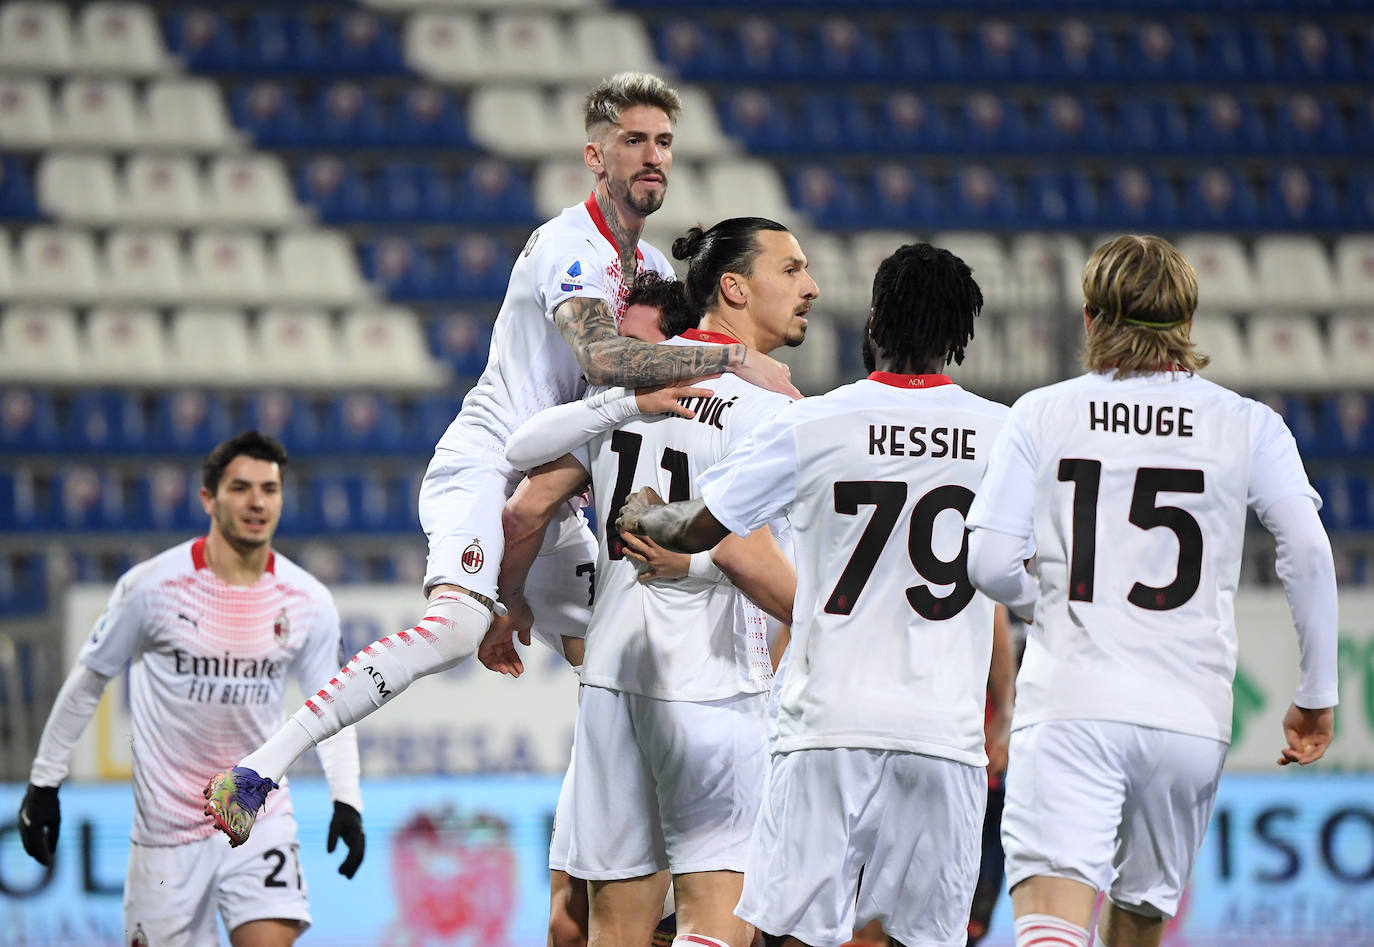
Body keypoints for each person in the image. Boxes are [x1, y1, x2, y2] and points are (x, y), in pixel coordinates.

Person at [203, 71, 799, 843]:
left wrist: (515, 584)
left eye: (663, 143)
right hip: (488, 464)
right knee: (455, 629)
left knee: (622, 645)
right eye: (633, 141)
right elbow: (606, 356)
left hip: (557, 489)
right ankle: (255, 769)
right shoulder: (568, 246)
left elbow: (645, 376)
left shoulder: (648, 268)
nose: (652, 157)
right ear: (595, 153)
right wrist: (726, 362)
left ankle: (627, 864)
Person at [619, 242, 1003, 947]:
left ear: (876, 320)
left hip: (828, 726)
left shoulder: (816, 420)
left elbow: (706, 523)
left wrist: (648, 515)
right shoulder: (1006, 436)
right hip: (944, 738)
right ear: (961, 335)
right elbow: (1013, 581)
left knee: (794, 935)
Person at [963, 234, 1339, 947]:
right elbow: (1310, 553)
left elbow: (986, 561)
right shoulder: (1249, 423)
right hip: (1188, 715)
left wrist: (1054, 600)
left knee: (1051, 924)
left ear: (1088, 318)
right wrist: (1316, 694)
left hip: (1072, 702)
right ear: (1189, 323)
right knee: (1137, 921)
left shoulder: (1043, 411)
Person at [491, 217, 817, 947]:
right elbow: (744, 555)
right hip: (715, 687)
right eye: (792, 270)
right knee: (717, 922)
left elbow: (525, 508)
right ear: (734, 286)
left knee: (612, 928)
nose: (811, 286)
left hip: (611, 682)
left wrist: (508, 602)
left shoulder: (634, 379)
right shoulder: (773, 411)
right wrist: (841, 626)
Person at [18, 431, 364, 947]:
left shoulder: (308, 599)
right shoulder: (151, 587)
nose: (257, 502)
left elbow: (331, 705)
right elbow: (90, 681)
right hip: (166, 834)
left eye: (269, 489)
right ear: (209, 498)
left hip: (255, 814)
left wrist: (347, 800)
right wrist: (44, 784)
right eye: (241, 488)